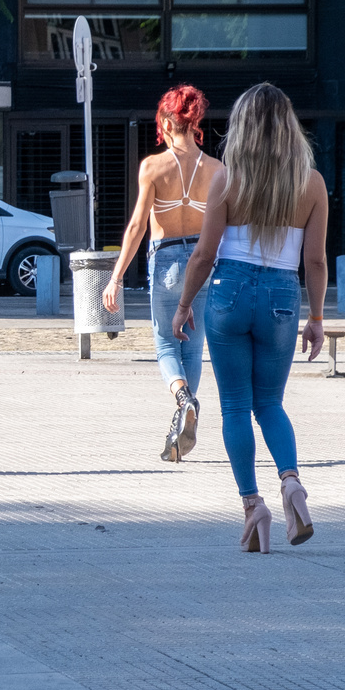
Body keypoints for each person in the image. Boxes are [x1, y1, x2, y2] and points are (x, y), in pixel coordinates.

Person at [172, 83, 327, 554]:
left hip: (229, 293)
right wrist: (316, 316)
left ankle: (252, 507)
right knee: (271, 404)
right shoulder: (311, 183)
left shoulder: (227, 178)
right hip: (282, 294)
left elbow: (204, 254)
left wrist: (182, 307)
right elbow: (316, 262)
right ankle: (292, 484)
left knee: (236, 408)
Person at [102, 85, 224, 462]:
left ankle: (183, 399)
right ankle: (186, 413)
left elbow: (138, 225)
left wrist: (116, 276)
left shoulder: (153, 167)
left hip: (167, 259)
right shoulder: (217, 170)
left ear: (167, 120)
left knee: (165, 343)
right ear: (195, 120)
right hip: (205, 262)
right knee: (193, 343)